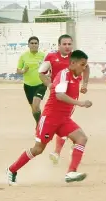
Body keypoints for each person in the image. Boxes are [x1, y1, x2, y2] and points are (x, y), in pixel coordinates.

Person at [6, 50, 92, 186]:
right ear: (73, 63)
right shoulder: (64, 75)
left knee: (81, 138)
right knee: (38, 149)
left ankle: (71, 172)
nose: (84, 68)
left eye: (85, 65)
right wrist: (80, 103)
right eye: (82, 65)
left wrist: (85, 84)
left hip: (64, 119)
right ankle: (12, 170)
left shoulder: (77, 76)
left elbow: (87, 70)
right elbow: (60, 95)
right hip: (50, 118)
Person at [38, 34, 90, 165]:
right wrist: (49, 84)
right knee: (58, 121)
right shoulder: (51, 57)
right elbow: (41, 72)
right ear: (59, 45)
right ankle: (63, 148)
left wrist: (84, 84)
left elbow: (87, 67)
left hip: (70, 96)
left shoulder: (75, 57)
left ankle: (57, 152)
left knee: (64, 120)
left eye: (69, 44)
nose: (67, 46)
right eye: (64, 44)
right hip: (57, 95)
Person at [17, 36, 46, 126]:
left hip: (41, 84)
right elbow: (18, 70)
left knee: (36, 104)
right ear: (28, 45)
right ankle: (39, 123)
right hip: (28, 85)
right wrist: (23, 71)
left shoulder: (43, 56)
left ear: (38, 45)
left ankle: (40, 126)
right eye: (32, 43)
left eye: (35, 43)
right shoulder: (23, 56)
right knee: (34, 108)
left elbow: (49, 68)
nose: (34, 45)